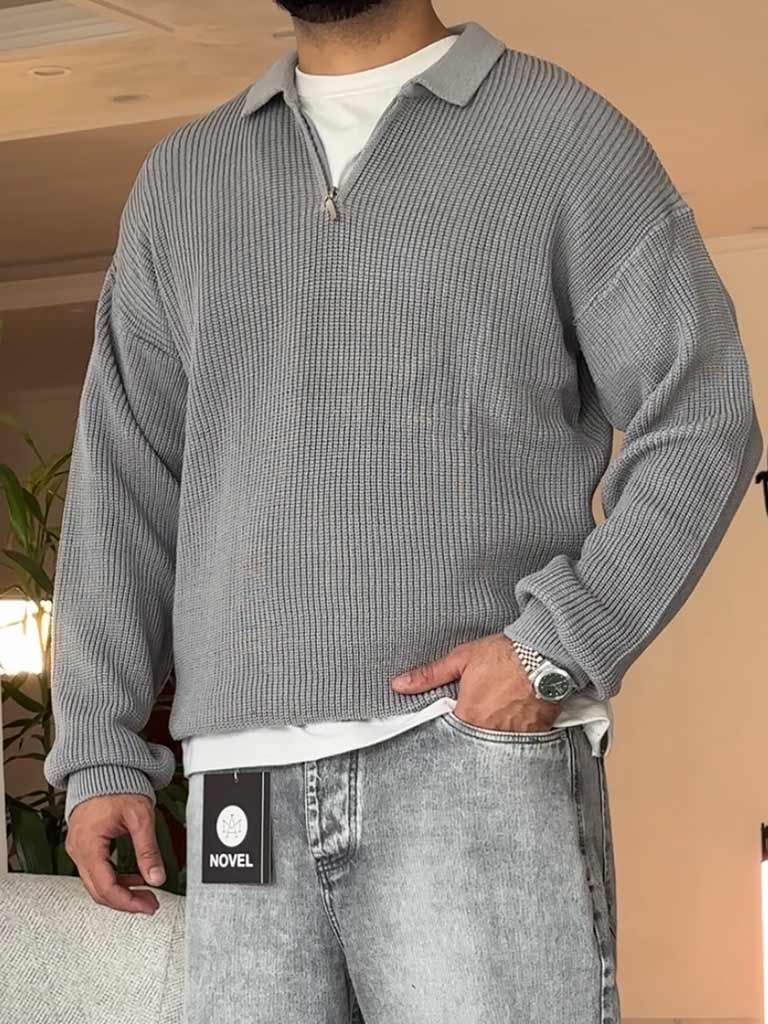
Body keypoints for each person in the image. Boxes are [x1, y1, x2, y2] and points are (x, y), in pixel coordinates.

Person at [43, 2, 763, 1021]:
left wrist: (555, 648)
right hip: (242, 782)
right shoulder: (185, 180)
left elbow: (703, 416)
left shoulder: (563, 134)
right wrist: (100, 746)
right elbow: (125, 478)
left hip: (466, 755)